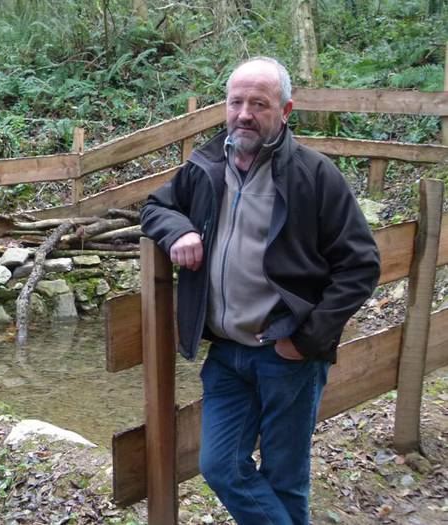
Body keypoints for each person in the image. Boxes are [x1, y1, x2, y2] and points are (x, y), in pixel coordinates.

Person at [140, 57, 380, 525]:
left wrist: (307, 340)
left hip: (285, 355)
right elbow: (154, 207)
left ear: (285, 110)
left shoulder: (314, 175)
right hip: (227, 355)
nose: (244, 113)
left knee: (285, 477)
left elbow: (360, 264)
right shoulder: (205, 167)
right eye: (235, 102)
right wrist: (178, 231)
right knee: (220, 466)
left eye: (259, 103)